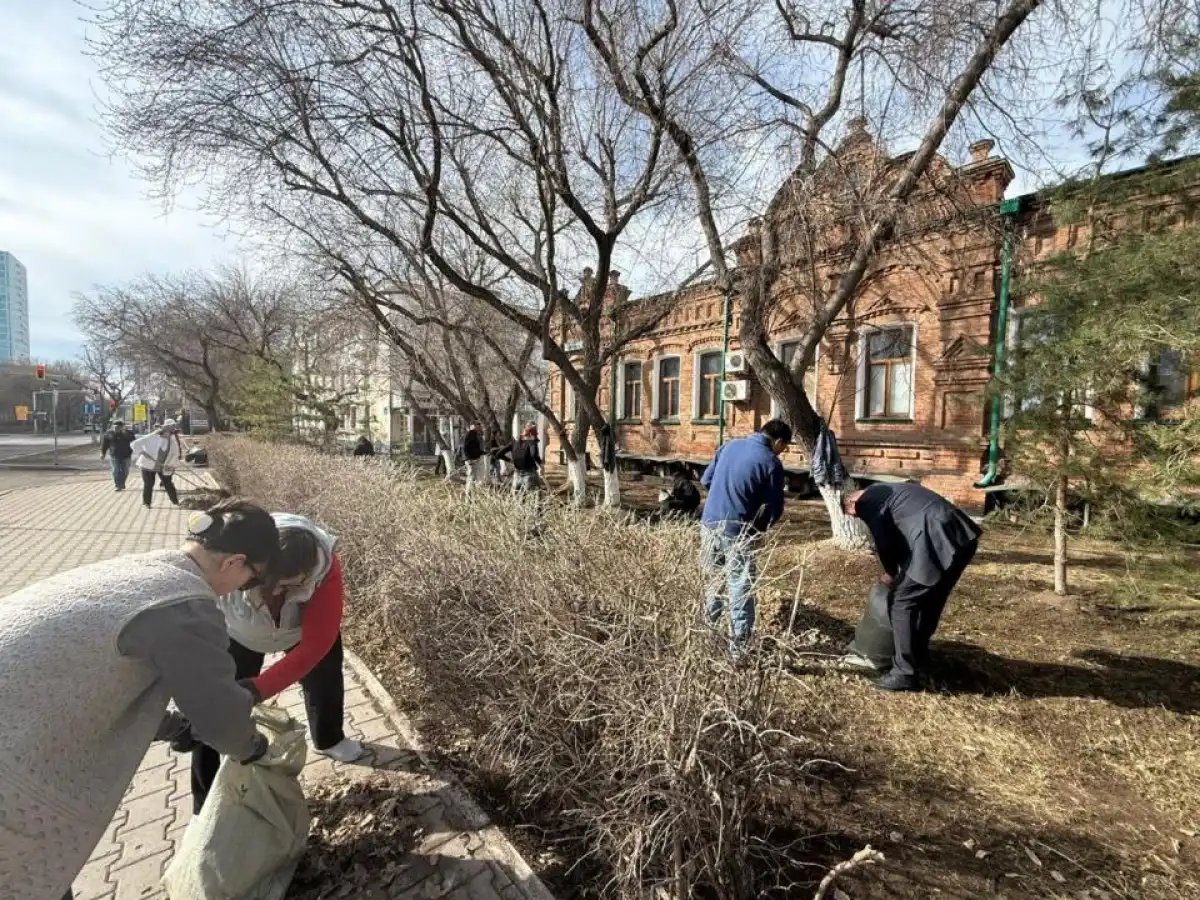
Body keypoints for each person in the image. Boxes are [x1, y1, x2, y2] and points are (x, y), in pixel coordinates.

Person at [0, 499, 280, 900]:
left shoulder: (144, 570)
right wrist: (252, 748)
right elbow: (218, 714)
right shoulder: (187, 608)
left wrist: (172, 727)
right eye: (252, 579)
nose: (244, 591)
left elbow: (90, 677)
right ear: (234, 563)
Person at [191, 512, 363, 813]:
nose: (281, 593)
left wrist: (258, 689)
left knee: (325, 679)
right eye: (274, 585)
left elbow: (314, 646)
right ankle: (204, 799)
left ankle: (329, 737)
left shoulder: (324, 566)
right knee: (216, 706)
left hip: (298, 633)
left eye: (292, 586)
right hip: (239, 632)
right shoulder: (230, 559)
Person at [844, 482, 982, 692]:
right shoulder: (892, 491)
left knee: (901, 602)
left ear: (852, 503)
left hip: (935, 536)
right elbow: (902, 533)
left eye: (853, 515)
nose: (858, 517)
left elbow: (884, 540)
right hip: (961, 535)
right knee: (932, 597)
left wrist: (891, 573)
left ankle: (904, 674)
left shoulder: (867, 501)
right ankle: (919, 656)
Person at [699, 419, 792, 653]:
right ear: (778, 441)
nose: (783, 452)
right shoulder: (770, 463)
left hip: (709, 524)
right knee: (740, 587)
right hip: (739, 532)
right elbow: (773, 510)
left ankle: (707, 637)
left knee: (713, 582)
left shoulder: (729, 446)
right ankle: (739, 650)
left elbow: (706, 480)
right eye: (785, 447)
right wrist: (757, 529)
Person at [131, 419, 184, 508]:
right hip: (147, 465)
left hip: (163, 466)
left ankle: (175, 501)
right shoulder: (152, 437)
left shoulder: (172, 441)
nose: (170, 434)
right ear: (164, 430)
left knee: (168, 483)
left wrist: (170, 465)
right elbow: (134, 444)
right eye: (169, 431)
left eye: (171, 432)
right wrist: (141, 452)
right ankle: (146, 503)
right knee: (149, 484)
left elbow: (175, 454)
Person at [494, 424, 544, 494]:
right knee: (534, 497)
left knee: (516, 498)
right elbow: (534, 455)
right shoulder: (532, 443)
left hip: (517, 475)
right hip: (530, 474)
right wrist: (541, 466)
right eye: (534, 435)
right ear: (530, 435)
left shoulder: (513, 443)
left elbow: (498, 454)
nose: (535, 437)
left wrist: (510, 460)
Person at [99, 419, 135, 491]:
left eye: (119, 427)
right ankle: (118, 485)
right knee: (116, 470)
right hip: (114, 455)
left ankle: (121, 483)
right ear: (113, 427)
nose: (117, 428)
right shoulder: (109, 434)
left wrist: (125, 432)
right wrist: (102, 453)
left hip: (126, 455)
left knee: (126, 471)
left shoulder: (127, 433)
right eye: (115, 427)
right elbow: (104, 445)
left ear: (122, 427)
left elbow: (134, 441)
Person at [462, 422, 486, 493]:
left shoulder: (475, 435)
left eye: (479, 426)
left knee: (474, 477)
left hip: (475, 459)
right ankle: (468, 495)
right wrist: (468, 458)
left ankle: (472, 494)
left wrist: (483, 452)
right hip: (471, 460)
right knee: (471, 477)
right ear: (472, 426)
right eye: (476, 426)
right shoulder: (469, 434)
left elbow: (475, 448)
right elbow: (465, 447)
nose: (478, 428)